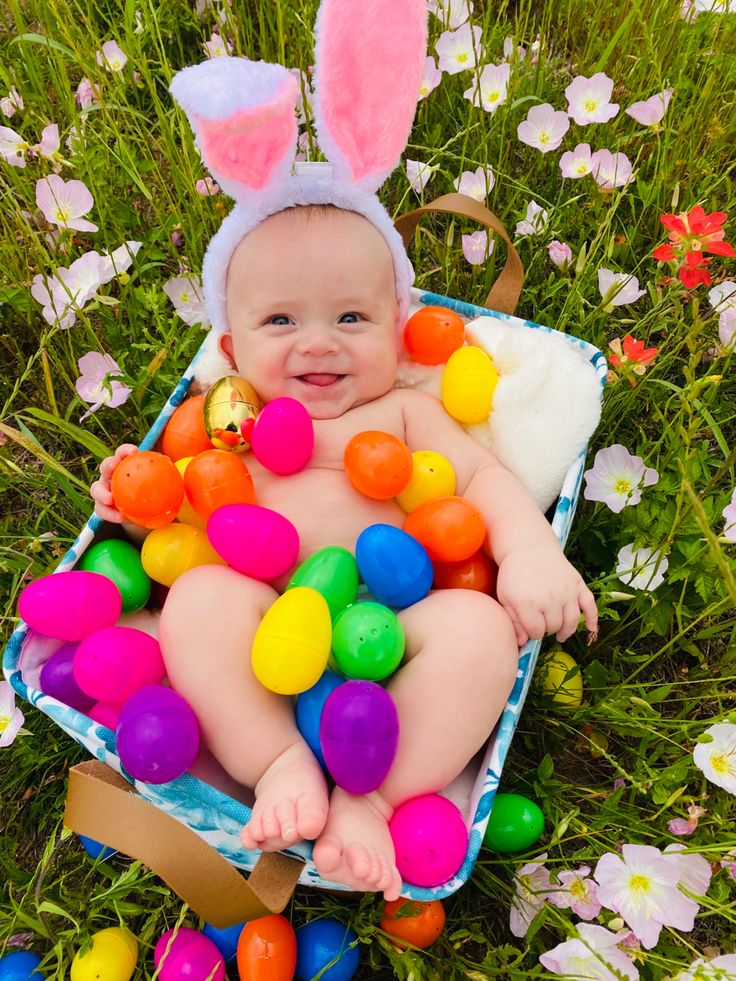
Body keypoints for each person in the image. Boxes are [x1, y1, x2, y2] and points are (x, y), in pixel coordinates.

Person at [91, 201, 598, 901]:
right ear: (232, 351)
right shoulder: (229, 427)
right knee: (199, 601)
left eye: (351, 318)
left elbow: (482, 479)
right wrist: (133, 500)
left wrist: (530, 550)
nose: (319, 343)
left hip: (396, 623)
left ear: (398, 331)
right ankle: (277, 762)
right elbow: (176, 526)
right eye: (281, 321)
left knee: (482, 632)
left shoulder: (403, 412)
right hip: (264, 625)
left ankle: (373, 800)